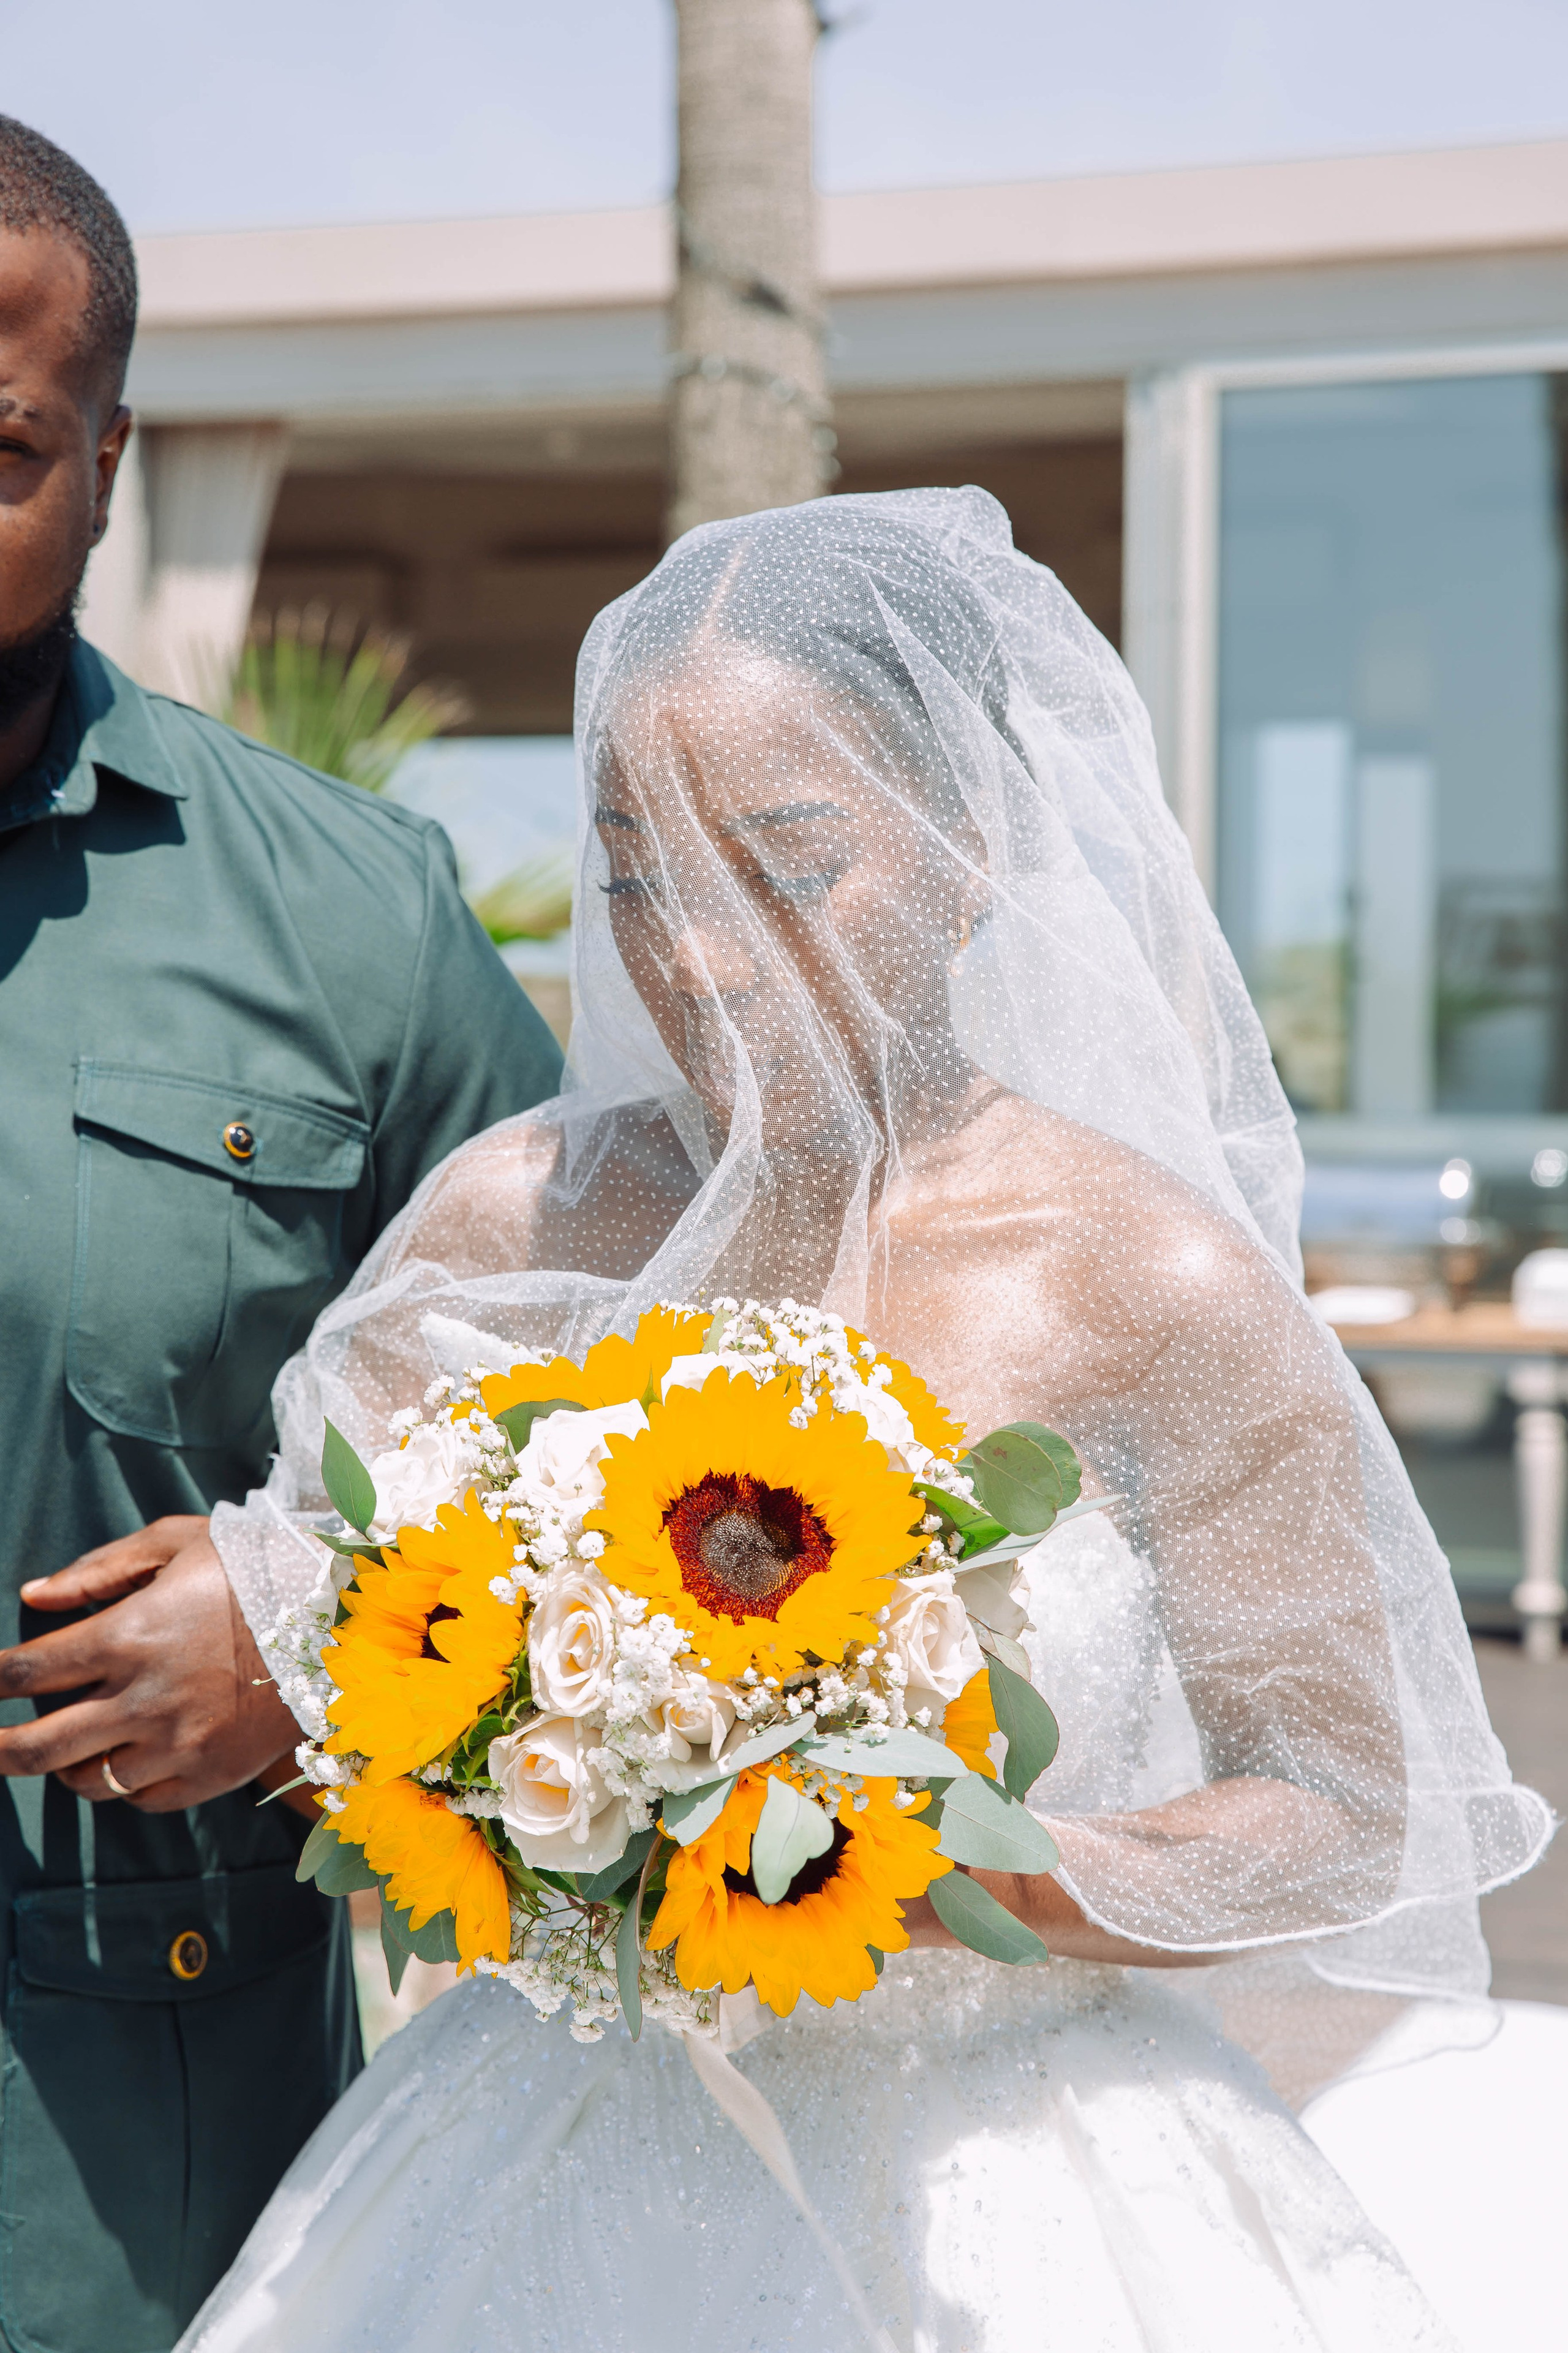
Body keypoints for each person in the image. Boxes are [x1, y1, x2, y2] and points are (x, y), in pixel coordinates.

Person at [183, 489, 1545, 2352]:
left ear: (973, 839)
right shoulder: (517, 1222)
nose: (702, 956)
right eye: (638, 873)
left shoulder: (1149, 1277)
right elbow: (343, 1668)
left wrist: (976, 1871)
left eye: (785, 863)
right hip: (557, 2144)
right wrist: (529, 1776)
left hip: (1022, 2166)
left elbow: (1341, 1805)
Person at [0, 116, 562, 2353]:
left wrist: (323, 1629)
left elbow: (640, 1413)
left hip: (140, 2160)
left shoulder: (352, 922)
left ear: (111, 461)